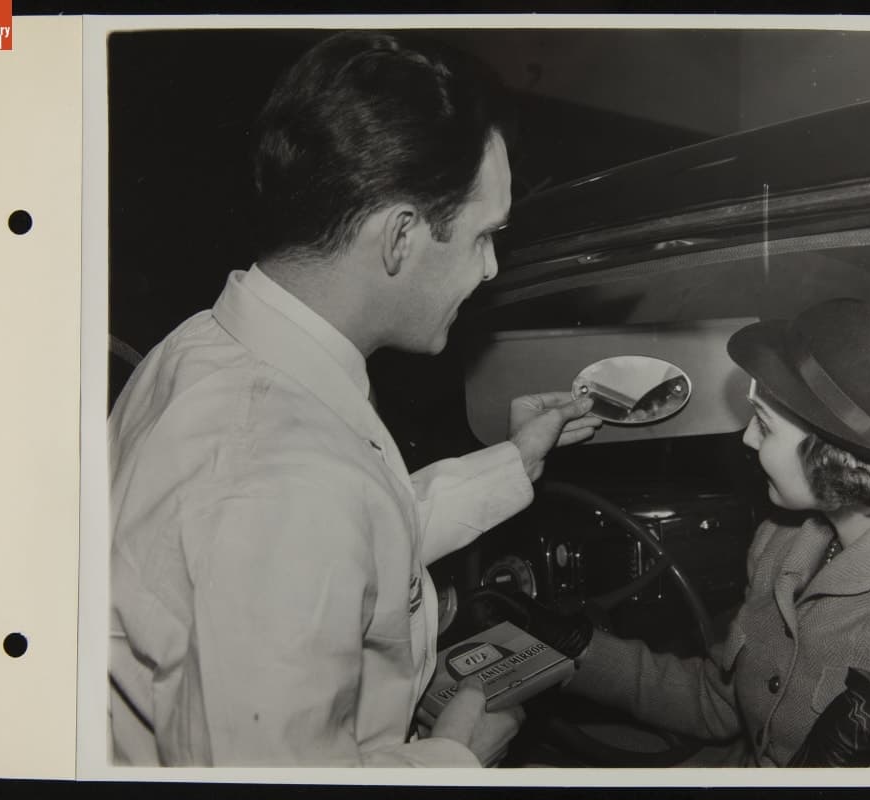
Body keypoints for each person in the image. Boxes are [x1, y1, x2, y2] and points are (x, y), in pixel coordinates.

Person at [107, 32, 600, 768]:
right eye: (483, 236)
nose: (492, 268)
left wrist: (514, 464)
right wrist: (454, 758)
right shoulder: (281, 475)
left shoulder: (207, 349)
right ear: (401, 236)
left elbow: (354, 538)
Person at [486, 298, 870, 766]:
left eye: (764, 424)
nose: (747, 439)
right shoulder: (777, 544)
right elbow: (720, 703)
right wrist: (578, 646)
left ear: (834, 459)